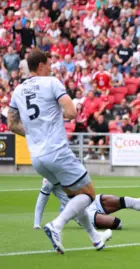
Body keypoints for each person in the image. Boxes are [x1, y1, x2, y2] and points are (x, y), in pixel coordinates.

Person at [7, 49, 112, 254]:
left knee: (74, 197)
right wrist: (53, 116)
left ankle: (95, 238)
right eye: (49, 64)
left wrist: (33, 131)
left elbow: (11, 124)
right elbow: (72, 112)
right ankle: (56, 225)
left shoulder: (18, 90)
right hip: (56, 150)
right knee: (89, 194)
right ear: (40, 66)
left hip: (37, 157)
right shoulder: (52, 83)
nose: (51, 67)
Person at [33, 178, 140, 230]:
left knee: (124, 200)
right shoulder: (49, 180)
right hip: (80, 211)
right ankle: (95, 225)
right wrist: (36, 224)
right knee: (118, 224)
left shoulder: (69, 167)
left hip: (92, 200)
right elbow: (41, 201)